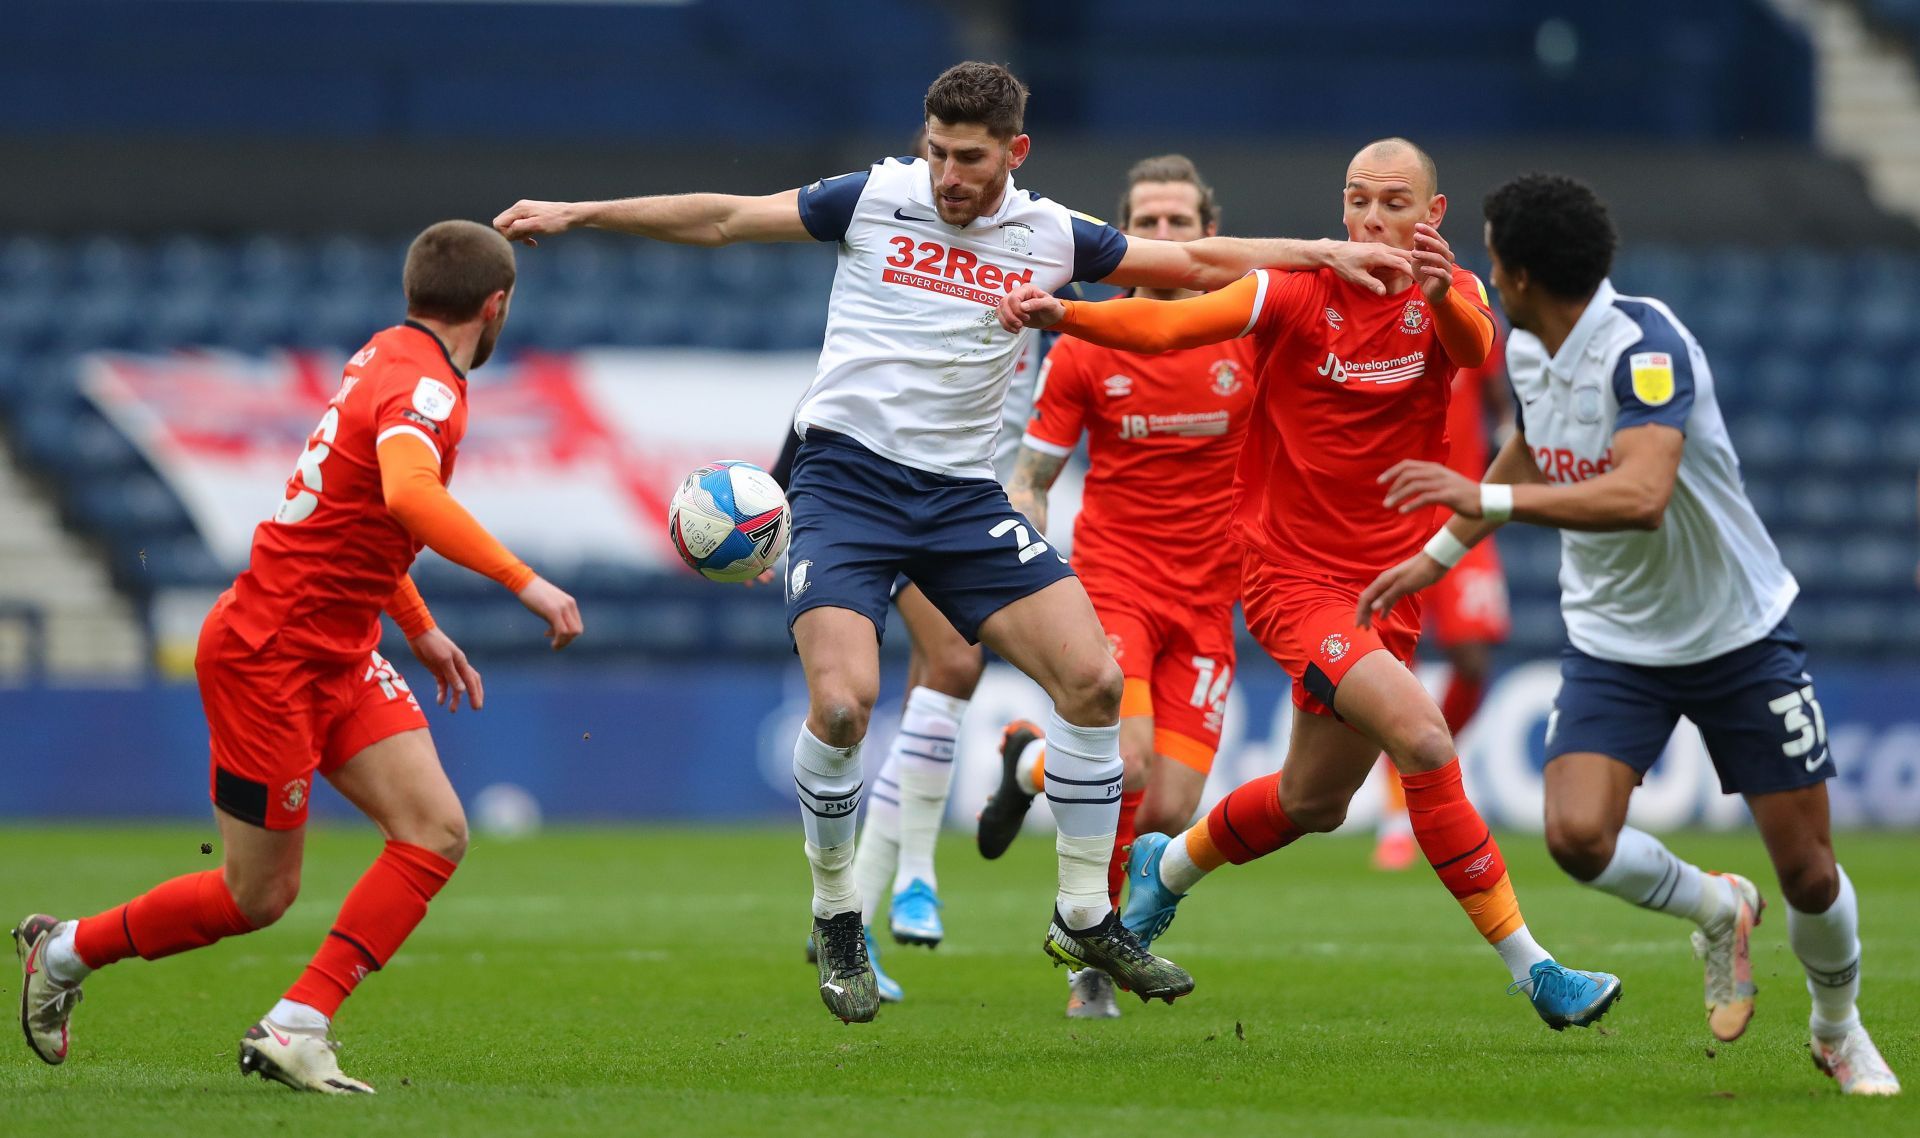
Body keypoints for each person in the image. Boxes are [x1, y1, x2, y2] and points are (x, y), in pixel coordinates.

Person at [495, 62, 1410, 1023]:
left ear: (1013, 153)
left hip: (963, 501)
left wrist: (1318, 252)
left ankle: (1085, 911)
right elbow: (725, 217)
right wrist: (583, 211)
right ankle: (841, 912)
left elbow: (1183, 266)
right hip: (843, 485)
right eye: (937, 152)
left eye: (969, 159)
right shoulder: (875, 198)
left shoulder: (1049, 234)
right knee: (845, 707)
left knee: (1094, 683)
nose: (947, 176)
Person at [999, 138, 1621, 1030]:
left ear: (1431, 216)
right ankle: (1537, 971)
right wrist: (1068, 316)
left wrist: (1443, 295)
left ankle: (1161, 872)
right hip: (1294, 578)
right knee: (1425, 739)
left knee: (1312, 802)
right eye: (1359, 200)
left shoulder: (1452, 297)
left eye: (1395, 203)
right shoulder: (1296, 290)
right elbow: (1173, 323)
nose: (1374, 219)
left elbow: (1475, 343)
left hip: (1392, 583)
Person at [1359, 172, 1901, 1094]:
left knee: (1810, 873)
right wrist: (1440, 554)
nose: (1487, 274)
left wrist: (1483, 497)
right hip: (1616, 640)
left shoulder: (1645, 348)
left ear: (1524, 275)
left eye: (1494, 260)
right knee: (1576, 835)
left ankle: (1838, 1028)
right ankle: (1716, 907)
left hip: (1736, 632)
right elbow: (1529, 445)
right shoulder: (1528, 346)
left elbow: (1643, 497)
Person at [12, 220, 584, 1093]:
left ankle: (297, 1022)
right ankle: (65, 953)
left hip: (340, 650)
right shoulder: (426, 391)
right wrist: (524, 580)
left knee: (435, 831)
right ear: (497, 304)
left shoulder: (384, 355)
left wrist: (418, 623)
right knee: (255, 897)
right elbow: (407, 493)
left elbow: (353, 515)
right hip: (267, 656)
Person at [978, 154, 1256, 1019]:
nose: (1163, 237)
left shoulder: (1250, 333)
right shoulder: (1086, 345)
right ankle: (1092, 958)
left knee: (1171, 812)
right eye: (1148, 224)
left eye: (1179, 223)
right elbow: (1033, 473)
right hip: (1117, 584)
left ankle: (1028, 761)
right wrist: (1025, 532)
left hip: (1211, 598)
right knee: (1128, 765)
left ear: (1209, 233)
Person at [1373, 333, 1514, 871]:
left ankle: (1430, 762)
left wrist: (1506, 433)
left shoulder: (1469, 320)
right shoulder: (1381, 326)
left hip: (1464, 516)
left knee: (1474, 658)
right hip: (1397, 516)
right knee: (1392, 666)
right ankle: (1394, 815)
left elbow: (1499, 392)